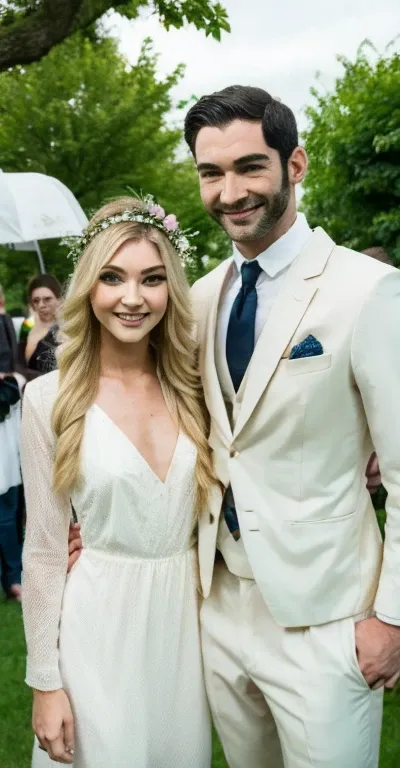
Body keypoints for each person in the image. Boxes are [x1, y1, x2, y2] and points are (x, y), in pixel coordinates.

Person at [181, 86, 400, 768]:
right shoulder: (201, 299)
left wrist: (397, 617)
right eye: (211, 173)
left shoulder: (368, 292)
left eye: (249, 167)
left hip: (328, 617)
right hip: (220, 607)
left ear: (295, 165)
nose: (231, 191)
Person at [21, 196, 220, 767]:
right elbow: (42, 549)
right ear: (89, 286)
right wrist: (45, 681)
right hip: (97, 628)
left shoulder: (197, 388)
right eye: (113, 277)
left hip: (185, 631)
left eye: (152, 279)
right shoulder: (50, 398)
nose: (133, 298)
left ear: (170, 289)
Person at [0, 284, 25, 601]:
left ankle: (14, 575)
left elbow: (11, 368)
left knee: (7, 504)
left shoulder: (6, 322)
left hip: (5, 424)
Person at [18, 274, 61, 379]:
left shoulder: (68, 328)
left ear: (59, 299)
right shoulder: (27, 327)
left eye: (47, 299)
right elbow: (19, 363)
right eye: (36, 301)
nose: (41, 305)